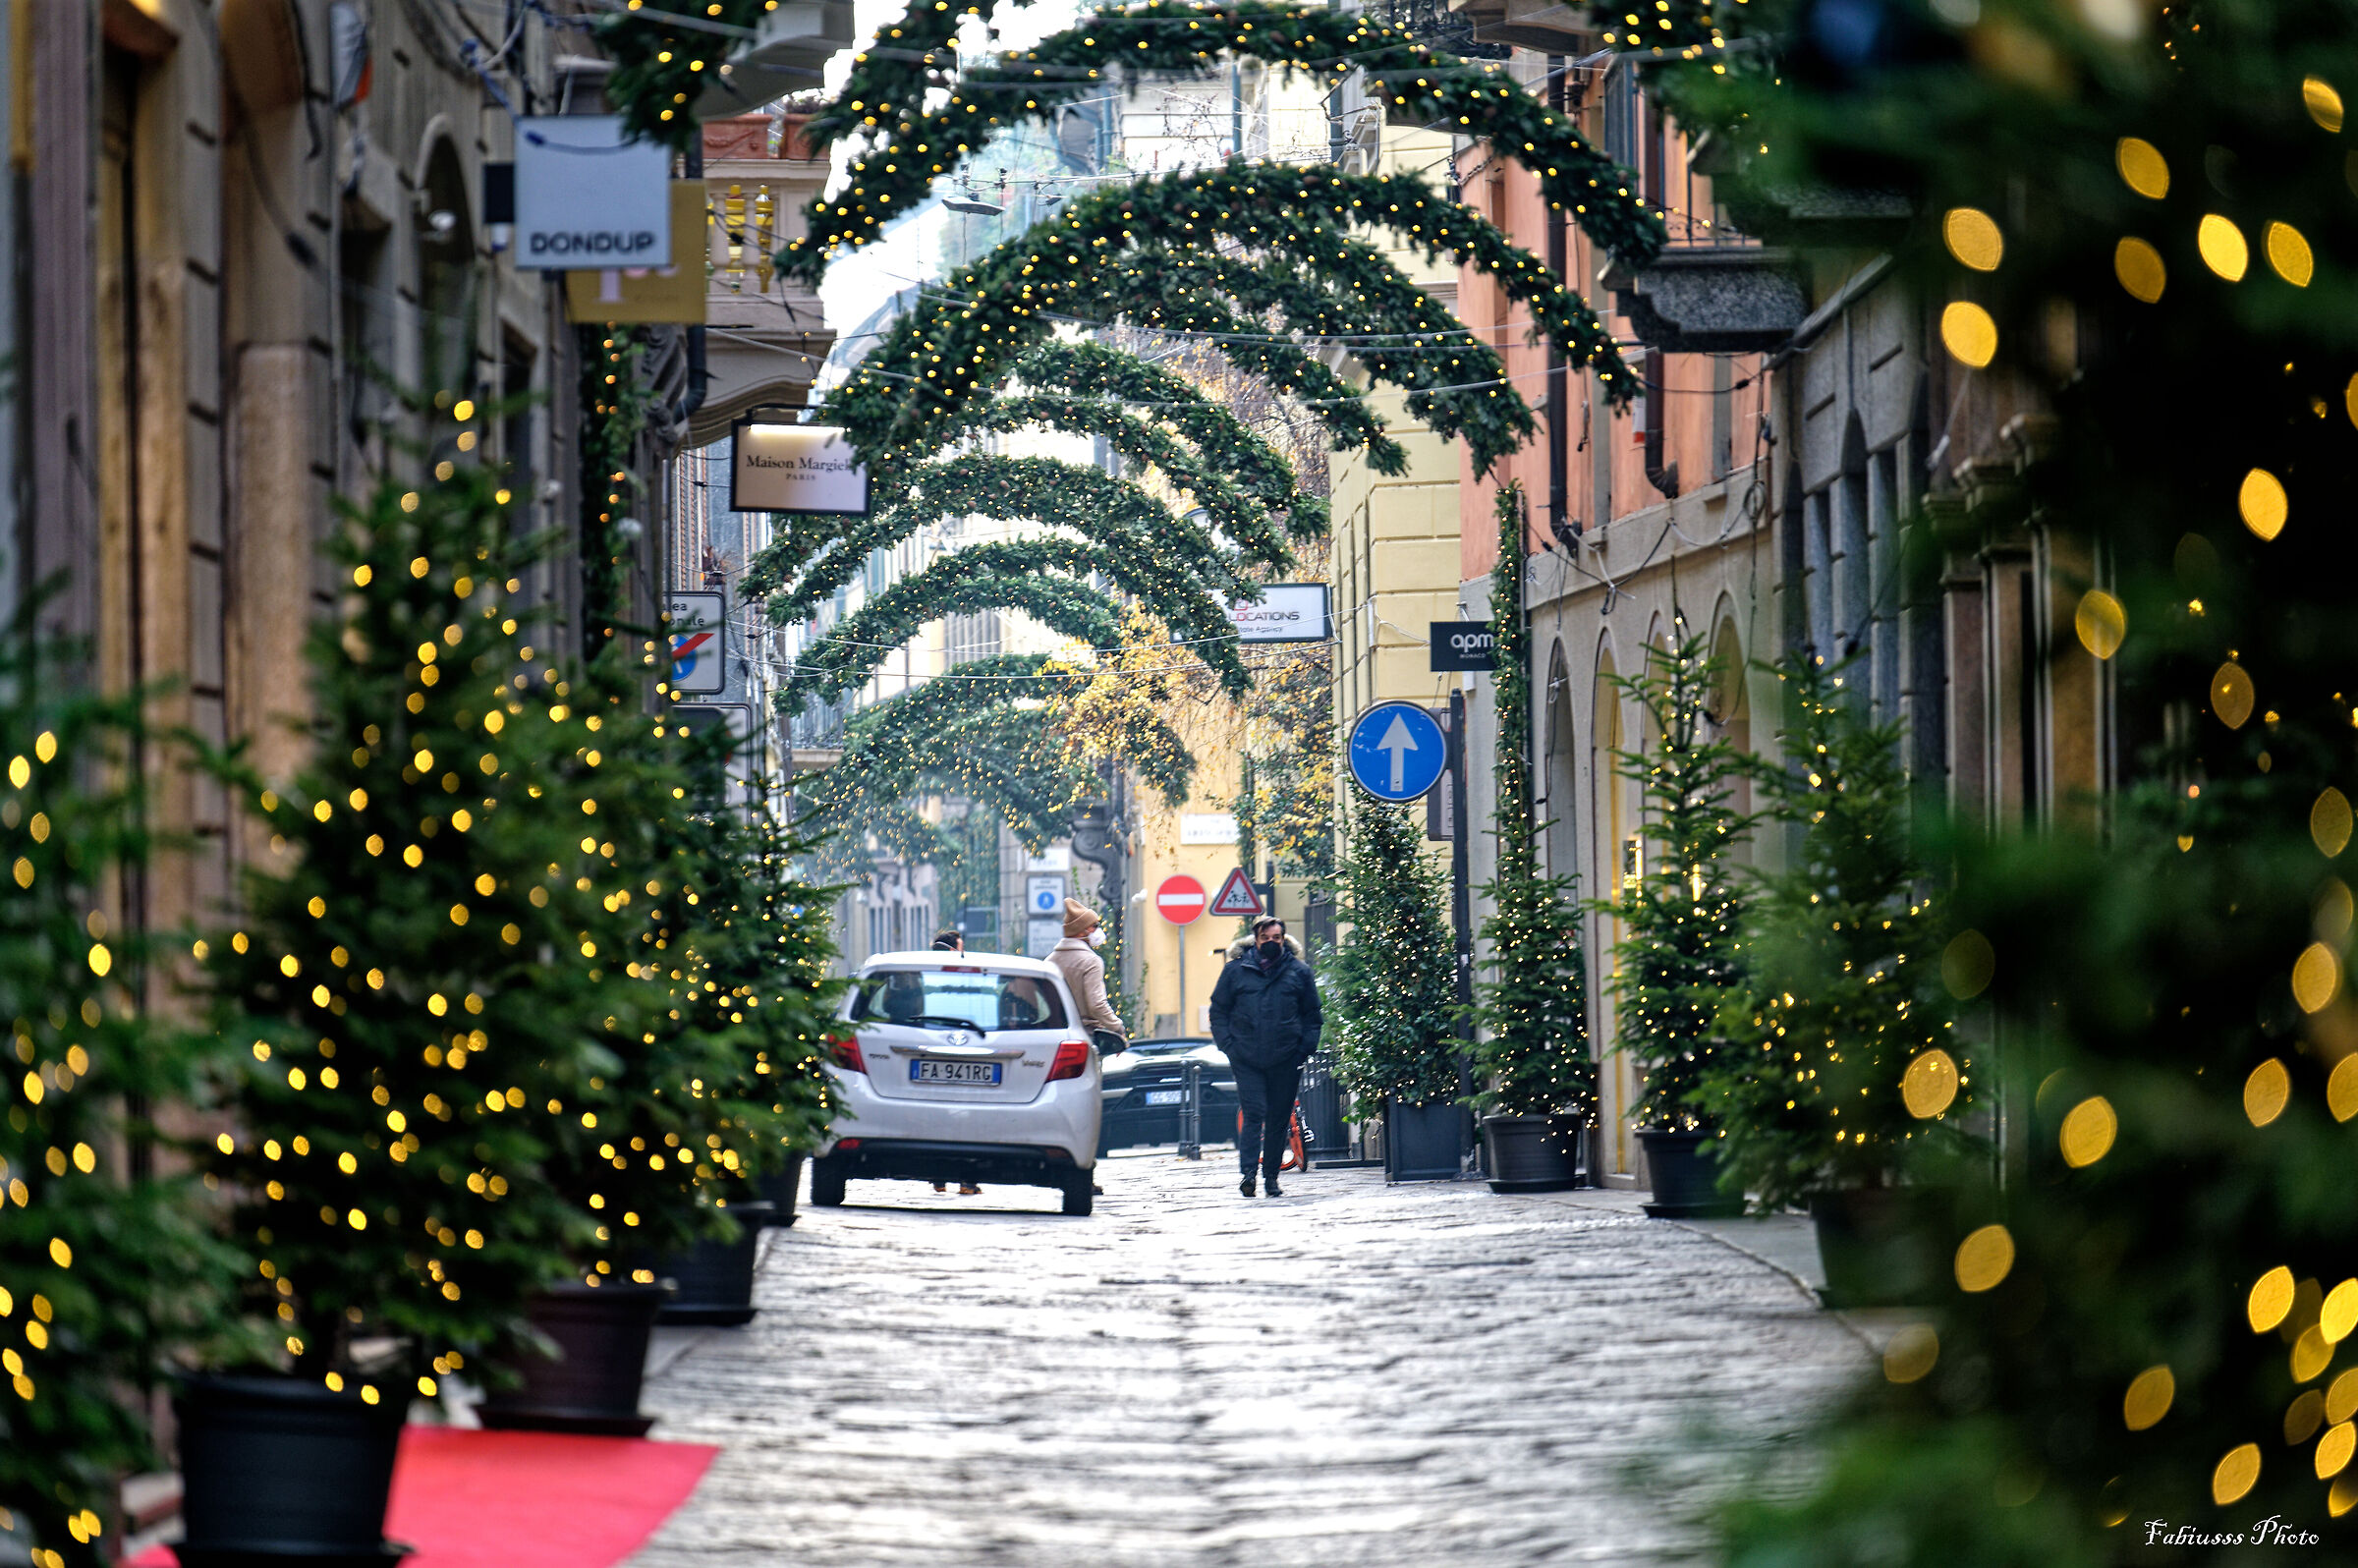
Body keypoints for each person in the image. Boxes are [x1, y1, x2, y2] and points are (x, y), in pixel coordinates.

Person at [1208, 916, 1321, 1199]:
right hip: (1246, 1057)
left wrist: (1303, 1049)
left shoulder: (1299, 972)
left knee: (1278, 1119)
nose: (1271, 943)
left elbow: (1312, 1015)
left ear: (1284, 939)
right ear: (1255, 939)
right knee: (1254, 1113)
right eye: (1265, 938)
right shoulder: (1235, 971)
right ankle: (1248, 1174)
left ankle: (1271, 1177)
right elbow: (1218, 1010)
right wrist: (1228, 1046)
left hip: (1286, 1058)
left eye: (1276, 938)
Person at [1049, 900, 1128, 1198]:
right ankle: (1084, 1173)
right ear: (1082, 932)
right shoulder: (1090, 961)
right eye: (1094, 927)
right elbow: (1097, 1004)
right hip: (1084, 1041)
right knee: (1088, 1110)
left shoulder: (1049, 961)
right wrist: (1117, 1027)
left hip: (1054, 1039)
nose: (1098, 931)